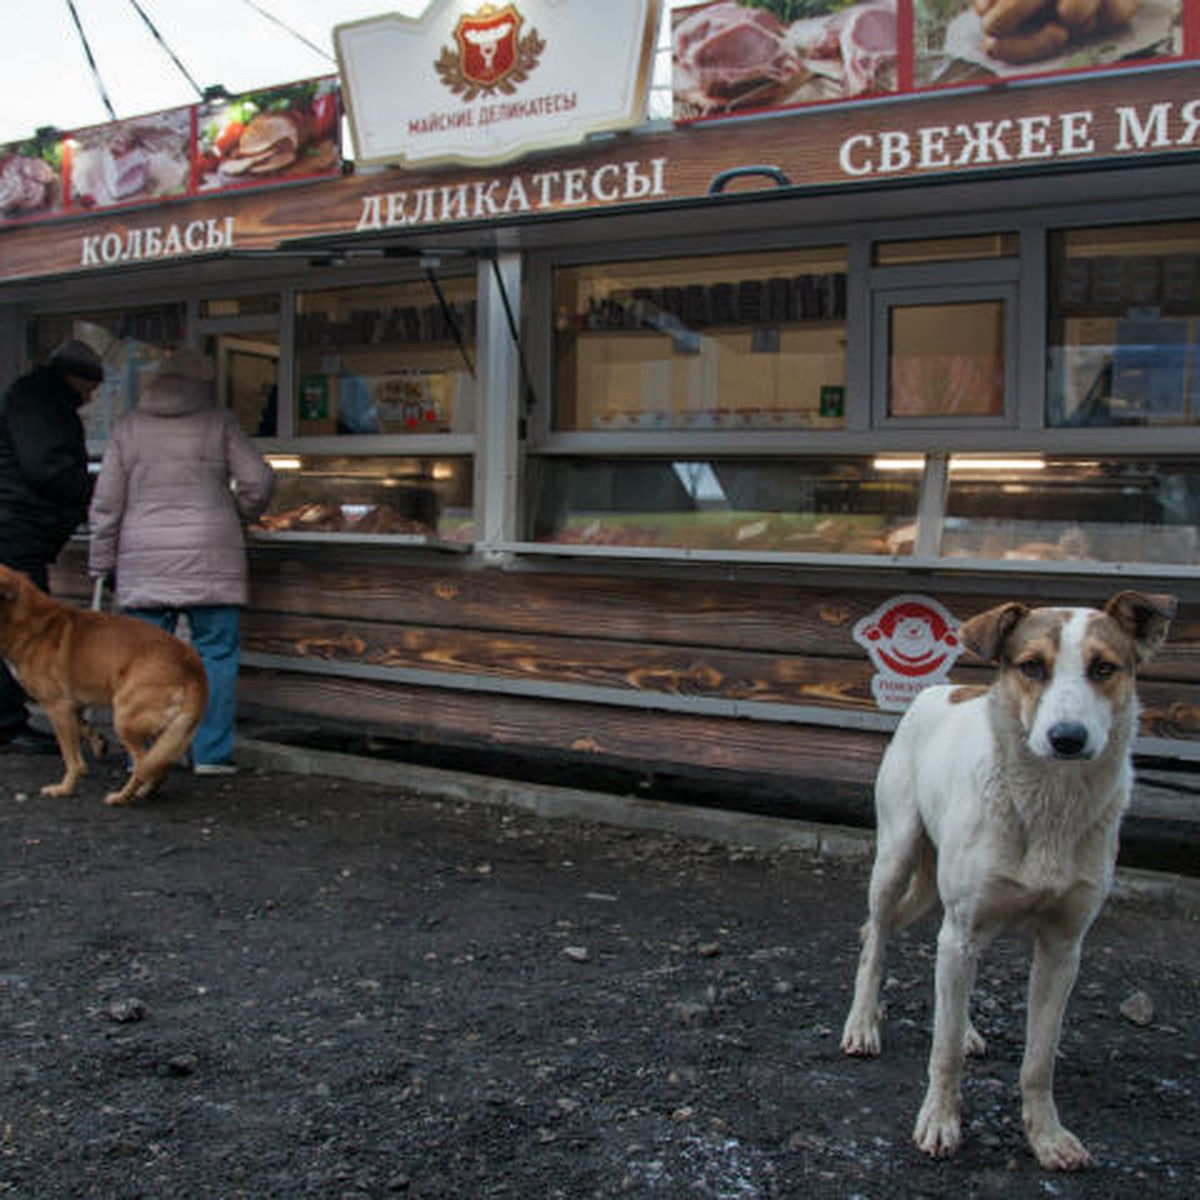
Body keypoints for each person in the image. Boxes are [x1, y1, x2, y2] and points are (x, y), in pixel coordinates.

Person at [88, 347, 275, 774]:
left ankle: (152, 753)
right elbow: (258, 480)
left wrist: (101, 562)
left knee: (141, 662)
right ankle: (210, 755)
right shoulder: (220, 421)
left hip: (144, 563)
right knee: (215, 655)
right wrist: (241, 513)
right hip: (212, 556)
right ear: (204, 383)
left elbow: (106, 503)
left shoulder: (127, 427)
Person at [0, 338, 102, 753]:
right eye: (91, 386)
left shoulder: (31, 397)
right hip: (17, 531)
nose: (92, 396)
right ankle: (8, 724)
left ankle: (9, 719)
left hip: (17, 527)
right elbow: (49, 470)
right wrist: (95, 491)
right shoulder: (44, 403)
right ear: (74, 378)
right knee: (22, 629)